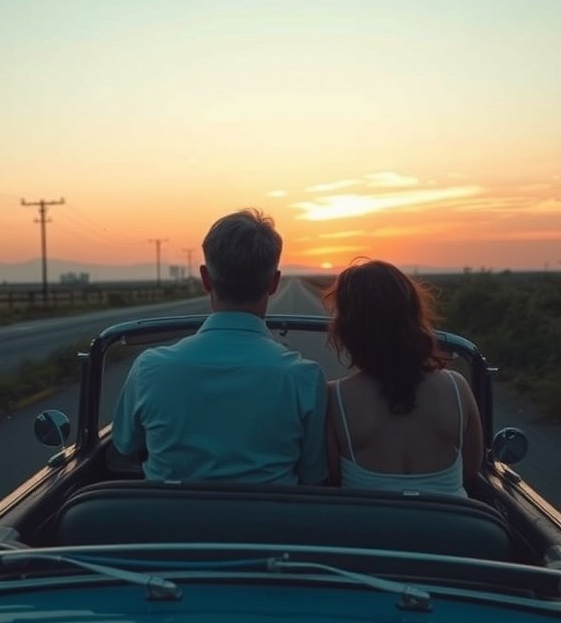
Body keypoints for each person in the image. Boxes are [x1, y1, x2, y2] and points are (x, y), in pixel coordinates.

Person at [113, 209, 327, 484]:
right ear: (274, 283)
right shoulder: (304, 378)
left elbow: (124, 445)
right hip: (270, 526)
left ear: (205, 279)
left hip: (165, 525)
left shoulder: (149, 368)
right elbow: (313, 475)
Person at [324, 260, 483, 496]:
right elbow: (470, 469)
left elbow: (331, 475)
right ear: (413, 315)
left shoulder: (336, 397)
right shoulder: (456, 387)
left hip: (368, 529)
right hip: (449, 528)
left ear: (348, 327)